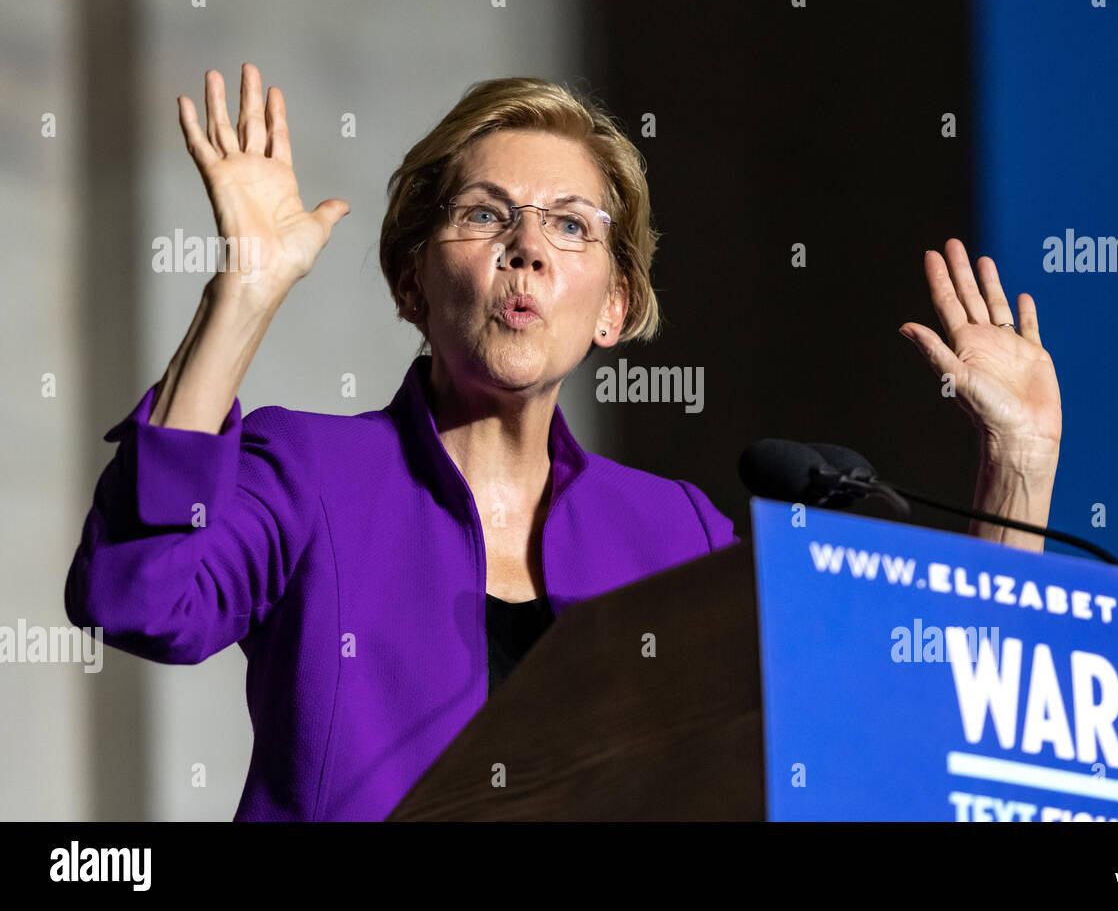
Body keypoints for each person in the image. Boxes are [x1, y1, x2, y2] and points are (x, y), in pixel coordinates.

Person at [64, 63, 1062, 821]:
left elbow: (910, 725)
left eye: (572, 226)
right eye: (484, 212)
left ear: (614, 309)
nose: (527, 245)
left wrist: (1018, 462)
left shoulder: (672, 531)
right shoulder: (312, 473)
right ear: (412, 284)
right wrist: (243, 290)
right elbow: (139, 596)